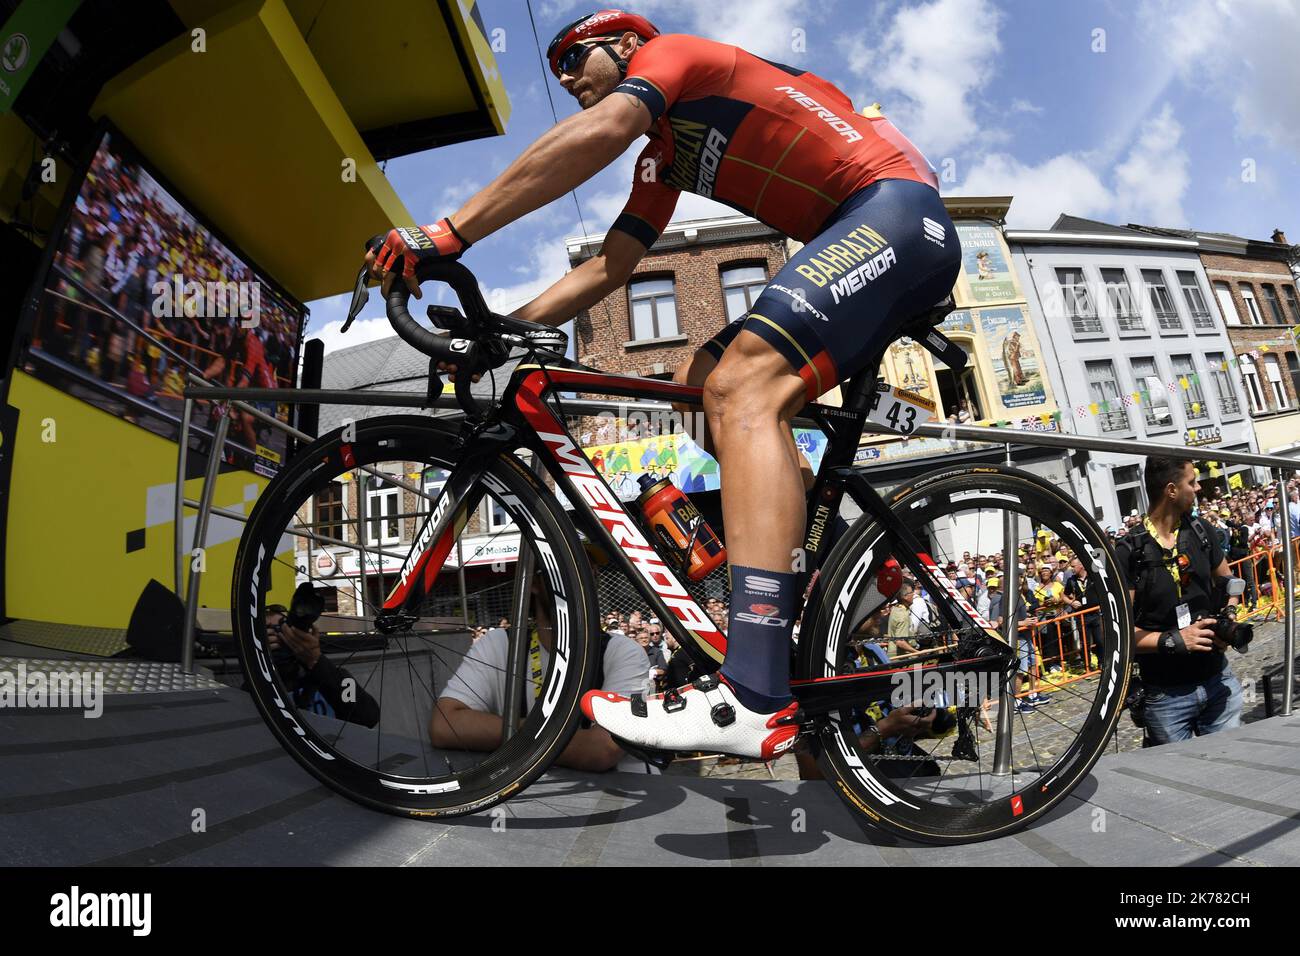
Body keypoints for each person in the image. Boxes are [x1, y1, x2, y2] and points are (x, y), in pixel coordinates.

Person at [366, 9, 959, 759]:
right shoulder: (661, 158)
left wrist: (445, 234)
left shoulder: (678, 55)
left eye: (575, 58)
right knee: (701, 374)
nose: (568, 79)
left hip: (895, 212)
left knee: (743, 387)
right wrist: (504, 326)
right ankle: (813, 551)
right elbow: (612, 267)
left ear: (626, 46)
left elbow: (601, 130)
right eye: (556, 71)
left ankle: (752, 689)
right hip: (867, 225)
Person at [433, 578, 651, 772]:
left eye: (590, 570)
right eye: (563, 566)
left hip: (619, 803)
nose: (579, 576)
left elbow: (603, 749)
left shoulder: (625, 652)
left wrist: (507, 736)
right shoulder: (499, 644)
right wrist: (569, 742)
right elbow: (443, 726)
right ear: (534, 582)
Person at [1114, 457, 1243, 746]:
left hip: (1218, 681)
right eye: (1192, 482)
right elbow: (1117, 634)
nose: (1198, 488)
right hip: (1165, 697)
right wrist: (1173, 640)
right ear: (1171, 490)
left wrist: (1229, 616)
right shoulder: (1129, 551)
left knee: (1236, 773)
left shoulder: (1201, 531)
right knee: (1182, 785)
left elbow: (1230, 584)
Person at [251, 605, 380, 728]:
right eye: (269, 631)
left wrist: (315, 661)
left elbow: (368, 717)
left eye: (283, 628)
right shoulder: (254, 687)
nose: (279, 636)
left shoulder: (333, 676)